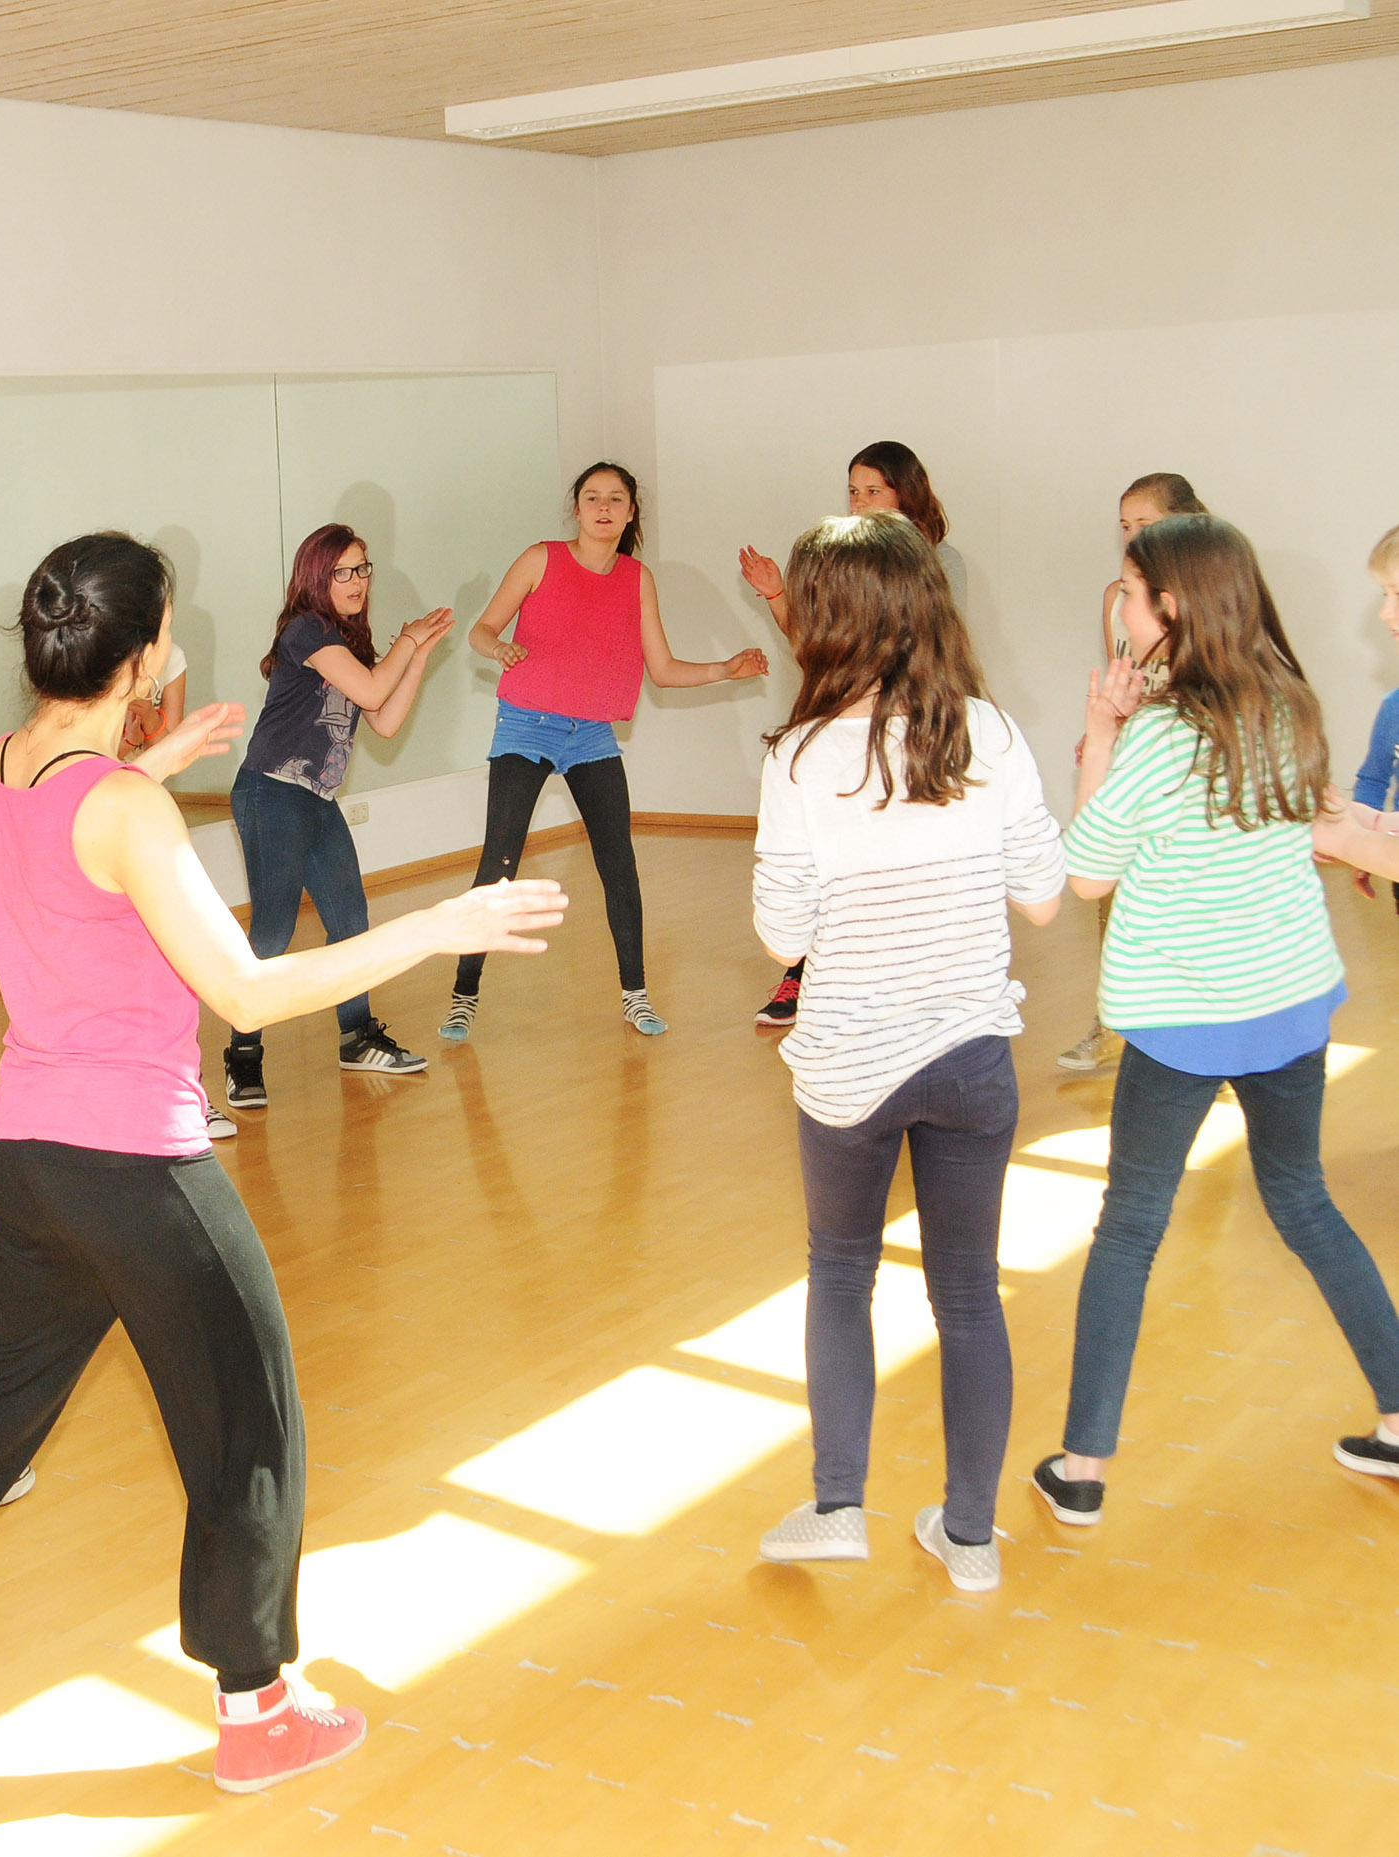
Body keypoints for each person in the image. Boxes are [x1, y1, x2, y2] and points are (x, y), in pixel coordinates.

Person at [0, 531, 565, 1797]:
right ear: (138, 654)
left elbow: (70, 840)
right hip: (141, 1168)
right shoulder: (124, 807)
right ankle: (257, 1706)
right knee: (247, 1420)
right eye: (167, 624)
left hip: (34, 1151)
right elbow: (248, 992)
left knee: (2, 1387)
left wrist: (150, 765)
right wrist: (442, 922)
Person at [1033, 512, 1399, 1528]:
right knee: (1305, 1203)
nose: (1119, 605)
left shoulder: (1158, 737)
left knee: (1129, 1228)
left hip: (1184, 1021)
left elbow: (1086, 873)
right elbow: (1324, 828)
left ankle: (1082, 1468)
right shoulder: (1288, 703)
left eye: (1129, 590)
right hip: (1290, 1007)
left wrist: (1102, 734)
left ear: (1170, 605)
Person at [747, 514, 1066, 1594]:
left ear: (824, 621)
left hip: (850, 1065)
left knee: (841, 1273)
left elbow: (781, 938)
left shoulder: (797, 759)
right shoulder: (991, 733)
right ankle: (969, 1537)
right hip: (971, 1057)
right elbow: (1044, 897)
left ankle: (839, 1505)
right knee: (968, 1294)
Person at [444, 462, 768, 1043]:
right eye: (592, 498)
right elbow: (481, 630)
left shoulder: (637, 578)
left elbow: (662, 670)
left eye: (615, 499)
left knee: (619, 865)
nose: (603, 508)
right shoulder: (541, 559)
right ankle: (464, 995)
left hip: (591, 734)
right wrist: (498, 648)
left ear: (630, 512)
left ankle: (635, 996)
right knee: (499, 864)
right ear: (576, 509)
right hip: (526, 725)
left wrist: (726, 669)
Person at [218, 522, 451, 1118]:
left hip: (316, 799)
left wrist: (417, 657)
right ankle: (242, 1053)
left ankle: (358, 1038)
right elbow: (371, 692)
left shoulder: (348, 640)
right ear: (316, 579)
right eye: (342, 571)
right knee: (273, 932)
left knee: (350, 920)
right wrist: (407, 641)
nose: (356, 581)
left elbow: (384, 721)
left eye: (362, 568)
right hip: (270, 793)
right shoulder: (306, 630)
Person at [738, 441, 967, 1028]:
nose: (861, 502)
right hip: (841, 728)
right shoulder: (842, 561)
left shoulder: (941, 562)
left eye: (874, 490)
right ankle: (800, 976)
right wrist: (777, 594)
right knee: (822, 856)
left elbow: (937, 648)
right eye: (853, 491)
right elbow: (813, 647)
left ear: (905, 494)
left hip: (907, 732)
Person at [1055, 474, 1212, 1072]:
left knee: (1185, 897)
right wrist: (1104, 726)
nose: (1132, 536)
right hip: (1135, 755)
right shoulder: (1116, 598)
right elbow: (1124, 672)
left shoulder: (1205, 598)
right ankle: (1112, 1021)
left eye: (1144, 524)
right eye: (1124, 525)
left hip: (1188, 764)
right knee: (1111, 887)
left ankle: (1204, 1023)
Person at [1350, 524, 1399, 918]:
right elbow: (1372, 779)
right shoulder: (1394, 706)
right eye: (1385, 594)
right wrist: (1361, 842)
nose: (1385, 612)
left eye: (1398, 594)